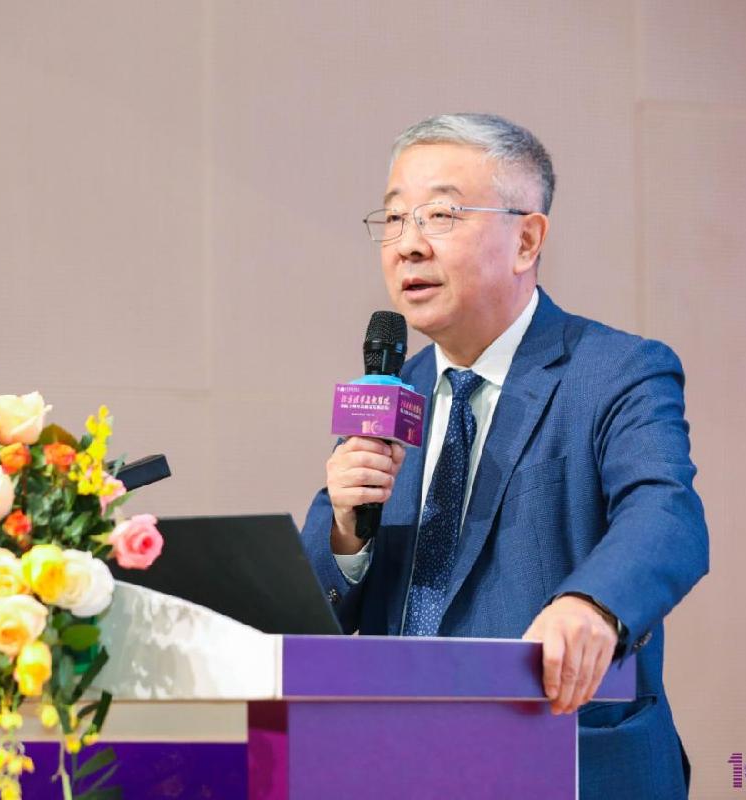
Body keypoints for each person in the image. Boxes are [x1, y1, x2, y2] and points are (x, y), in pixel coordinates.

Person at [300, 113, 709, 799]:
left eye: (440, 216)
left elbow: (666, 513)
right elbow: (315, 617)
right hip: (398, 764)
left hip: (561, 758)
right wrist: (346, 532)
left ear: (526, 240)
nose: (408, 245)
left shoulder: (616, 371)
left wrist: (591, 604)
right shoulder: (389, 391)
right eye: (394, 219)